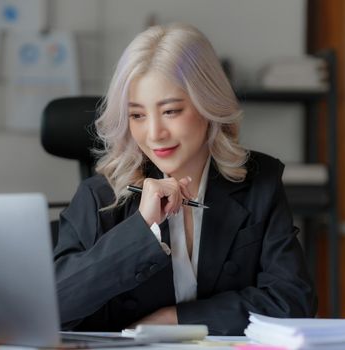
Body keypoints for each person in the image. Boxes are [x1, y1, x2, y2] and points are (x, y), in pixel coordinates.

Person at [53, 23, 317, 335]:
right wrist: (140, 227)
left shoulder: (260, 181)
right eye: (137, 115)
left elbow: (292, 301)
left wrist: (175, 318)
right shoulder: (100, 195)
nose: (154, 134)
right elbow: (55, 308)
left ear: (208, 104)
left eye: (171, 111)